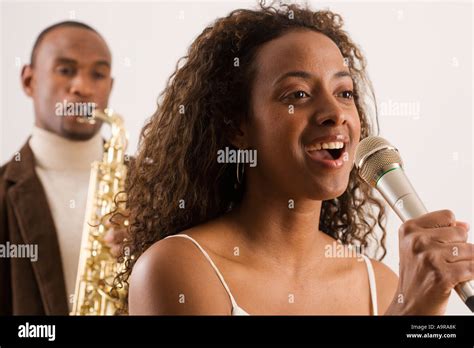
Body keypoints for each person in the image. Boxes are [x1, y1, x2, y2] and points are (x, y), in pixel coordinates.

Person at [124, 3, 473, 315]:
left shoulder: (379, 287)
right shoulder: (178, 267)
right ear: (237, 126)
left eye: (345, 93)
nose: (335, 113)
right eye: (299, 94)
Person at [0, 21, 126, 315]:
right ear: (29, 81)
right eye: (66, 70)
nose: (82, 88)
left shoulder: (155, 188)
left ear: (110, 86)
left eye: (98, 74)